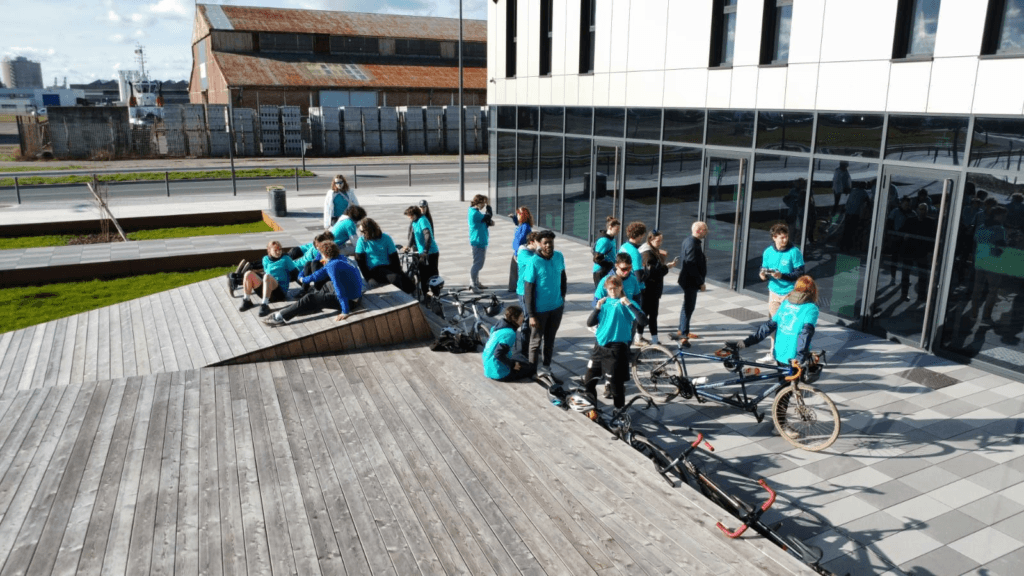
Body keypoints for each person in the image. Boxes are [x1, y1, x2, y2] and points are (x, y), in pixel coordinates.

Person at [262, 241, 364, 326]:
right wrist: (303, 279)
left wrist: (345, 311)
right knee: (325, 286)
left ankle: (279, 317)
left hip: (351, 301)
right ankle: (310, 306)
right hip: (354, 294)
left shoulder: (333, 265)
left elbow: (339, 289)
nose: (320, 256)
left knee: (310, 297)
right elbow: (318, 274)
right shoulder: (339, 258)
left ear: (326, 254)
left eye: (321, 254)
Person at [583, 275, 647, 407]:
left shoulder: (627, 303)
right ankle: (592, 409)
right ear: (606, 289)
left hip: (616, 349)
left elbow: (643, 321)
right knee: (588, 383)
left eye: (615, 288)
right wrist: (597, 308)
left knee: (616, 388)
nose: (612, 291)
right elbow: (590, 323)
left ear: (621, 287)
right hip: (599, 347)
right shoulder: (604, 303)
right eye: (610, 289)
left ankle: (619, 412)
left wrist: (629, 304)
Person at [731, 275, 819, 368]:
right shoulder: (811, 309)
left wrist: (747, 342)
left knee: (782, 376)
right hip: (794, 357)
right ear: (813, 291)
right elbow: (805, 334)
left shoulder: (786, 303)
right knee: (794, 376)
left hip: (779, 353)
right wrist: (800, 358)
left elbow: (768, 326)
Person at [522, 230, 567, 383]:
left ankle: (546, 369)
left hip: (556, 308)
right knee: (535, 342)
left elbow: (563, 278)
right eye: (545, 243)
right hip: (539, 311)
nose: (548, 245)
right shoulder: (534, 262)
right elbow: (528, 290)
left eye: (550, 242)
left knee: (550, 340)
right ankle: (533, 372)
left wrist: (562, 298)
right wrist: (531, 315)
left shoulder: (559, 256)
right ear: (539, 244)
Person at [758, 223, 805, 363]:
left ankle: (789, 355)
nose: (785, 240)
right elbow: (764, 268)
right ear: (774, 237)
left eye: (786, 237)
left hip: (789, 293)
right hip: (773, 292)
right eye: (782, 237)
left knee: (788, 325)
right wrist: (763, 275)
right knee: (774, 324)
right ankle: (773, 353)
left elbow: (800, 273)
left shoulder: (794, 252)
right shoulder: (768, 252)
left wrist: (782, 276)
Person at [637, 229, 678, 346]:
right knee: (649, 314)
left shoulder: (651, 251)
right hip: (649, 289)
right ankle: (642, 338)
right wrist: (667, 267)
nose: (660, 243)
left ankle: (647, 338)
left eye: (661, 240)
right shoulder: (647, 254)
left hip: (651, 289)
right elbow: (654, 273)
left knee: (650, 314)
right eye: (658, 240)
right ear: (650, 240)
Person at [354, 217, 415, 294]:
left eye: (363, 231)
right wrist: (368, 278)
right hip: (374, 269)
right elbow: (360, 262)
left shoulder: (386, 238)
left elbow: (394, 258)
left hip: (388, 266)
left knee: (410, 285)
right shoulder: (362, 241)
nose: (361, 233)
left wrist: (399, 271)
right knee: (395, 279)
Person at [239, 240, 298, 317]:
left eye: (280, 249)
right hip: (266, 291)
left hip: (279, 293)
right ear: (269, 251)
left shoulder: (286, 259)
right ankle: (247, 300)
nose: (278, 252)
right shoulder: (265, 259)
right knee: (248, 273)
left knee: (267, 276)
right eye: (275, 250)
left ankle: (264, 305)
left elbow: (296, 274)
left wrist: (305, 287)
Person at [675, 221, 708, 348]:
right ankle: (683, 335)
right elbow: (691, 266)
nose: (706, 232)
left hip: (689, 280)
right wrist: (701, 283)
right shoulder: (692, 244)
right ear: (699, 231)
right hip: (690, 281)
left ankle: (682, 329)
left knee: (687, 306)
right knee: (688, 307)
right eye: (705, 230)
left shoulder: (690, 241)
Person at [482, 306, 536, 381]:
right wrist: (513, 365)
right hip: (499, 373)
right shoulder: (509, 333)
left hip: (488, 368)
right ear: (514, 318)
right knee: (531, 368)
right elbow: (498, 354)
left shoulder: (499, 325)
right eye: (521, 316)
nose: (523, 319)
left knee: (519, 357)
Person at [404, 205, 440, 297]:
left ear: (414, 215)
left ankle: (436, 294)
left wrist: (425, 251)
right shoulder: (414, 222)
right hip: (422, 252)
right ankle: (425, 294)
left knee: (432, 274)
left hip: (431, 252)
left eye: (410, 216)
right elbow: (412, 235)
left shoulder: (422, 220)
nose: (409, 218)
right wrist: (408, 246)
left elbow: (427, 236)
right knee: (423, 274)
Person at [515, 232, 540, 355]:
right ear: (531, 242)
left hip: (534, 290)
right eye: (539, 242)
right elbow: (536, 262)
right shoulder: (524, 254)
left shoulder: (533, 253)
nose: (541, 245)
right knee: (527, 319)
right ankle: (525, 350)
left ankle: (534, 346)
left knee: (536, 319)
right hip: (524, 292)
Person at [468, 194, 494, 291]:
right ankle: (473, 285)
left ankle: (476, 282)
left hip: (479, 240)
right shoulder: (475, 213)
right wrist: (489, 206)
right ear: (478, 202)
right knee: (478, 264)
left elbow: (485, 219)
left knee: (477, 263)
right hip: (479, 241)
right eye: (483, 203)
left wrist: (488, 222)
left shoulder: (472, 210)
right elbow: (488, 216)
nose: (484, 205)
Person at [508, 206, 534, 292]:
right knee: (514, 270)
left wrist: (516, 250)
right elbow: (518, 224)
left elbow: (521, 239)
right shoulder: (523, 225)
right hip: (517, 251)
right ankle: (513, 287)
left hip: (519, 252)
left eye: (518, 214)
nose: (518, 216)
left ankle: (518, 288)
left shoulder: (525, 226)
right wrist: (514, 218)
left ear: (522, 216)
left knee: (517, 271)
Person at [619, 221, 647, 295]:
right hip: (636, 289)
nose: (643, 237)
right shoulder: (635, 253)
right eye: (643, 235)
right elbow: (639, 277)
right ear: (639, 235)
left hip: (624, 283)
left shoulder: (623, 246)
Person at [592, 216, 620, 287]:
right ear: (610, 227)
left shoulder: (612, 239)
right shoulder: (604, 241)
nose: (618, 231)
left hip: (609, 270)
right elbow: (597, 259)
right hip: (601, 271)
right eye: (617, 229)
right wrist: (609, 264)